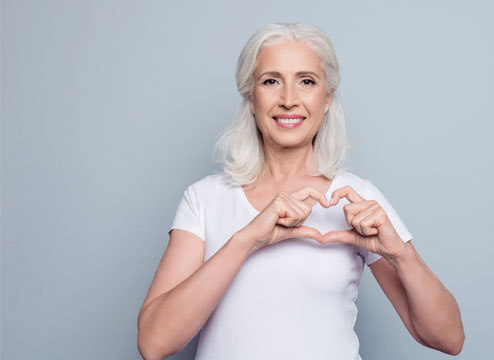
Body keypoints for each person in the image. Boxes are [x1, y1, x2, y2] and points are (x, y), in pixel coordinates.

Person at [137, 22, 464, 360]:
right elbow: (154, 343)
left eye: (306, 81)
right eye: (271, 81)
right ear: (251, 97)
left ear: (327, 98)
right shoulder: (204, 199)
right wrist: (246, 239)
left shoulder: (357, 199)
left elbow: (448, 339)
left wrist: (402, 256)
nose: (289, 100)